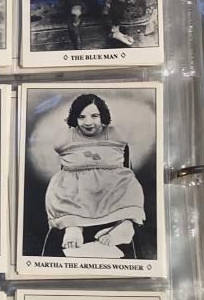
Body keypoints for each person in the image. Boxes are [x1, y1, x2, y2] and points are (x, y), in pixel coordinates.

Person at [44, 93, 145, 256]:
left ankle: (125, 225)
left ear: (103, 116)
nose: (88, 122)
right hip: (77, 186)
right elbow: (62, 152)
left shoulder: (115, 134)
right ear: (74, 118)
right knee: (64, 192)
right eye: (81, 117)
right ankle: (74, 227)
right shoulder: (66, 137)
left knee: (128, 187)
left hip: (111, 184)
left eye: (94, 116)